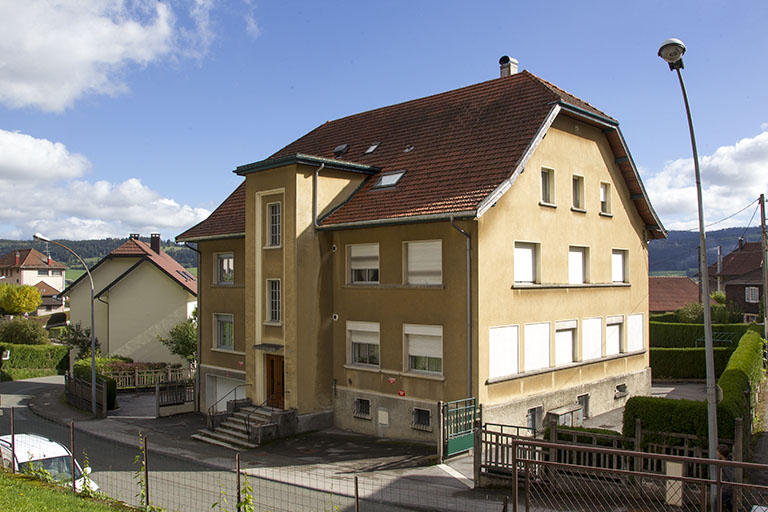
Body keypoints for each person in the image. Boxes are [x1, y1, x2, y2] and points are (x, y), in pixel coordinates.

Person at [717, 444, 735, 512]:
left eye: (718, 452)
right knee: (729, 506)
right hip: (727, 488)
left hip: (726, 489)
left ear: (721, 453)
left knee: (717, 503)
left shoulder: (725, 464)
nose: (717, 453)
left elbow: (731, 477)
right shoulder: (726, 462)